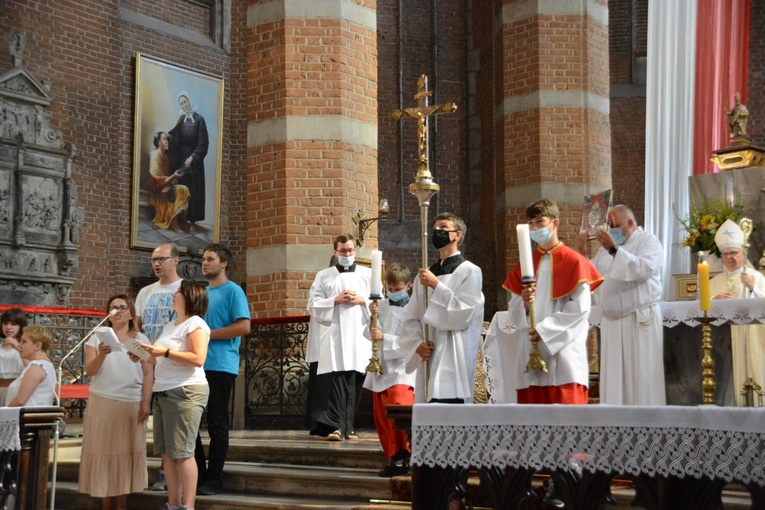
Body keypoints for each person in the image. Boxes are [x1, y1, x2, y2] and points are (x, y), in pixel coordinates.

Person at [504, 199, 603, 405]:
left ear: (555, 223)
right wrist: (523, 303)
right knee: (533, 425)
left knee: (567, 426)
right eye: (530, 223)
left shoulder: (575, 262)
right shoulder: (525, 264)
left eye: (540, 221)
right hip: (531, 354)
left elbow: (579, 310)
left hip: (563, 356)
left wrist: (545, 330)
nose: (534, 228)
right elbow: (513, 308)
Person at [574, 205, 666, 405]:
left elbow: (641, 268)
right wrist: (582, 253)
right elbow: (593, 277)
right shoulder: (605, 249)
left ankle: (646, 426)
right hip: (612, 325)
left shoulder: (648, 242)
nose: (611, 231)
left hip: (638, 322)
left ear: (631, 223)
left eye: (615, 225)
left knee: (641, 381)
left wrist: (613, 249)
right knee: (615, 383)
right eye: (609, 226)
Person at [400, 213, 485, 404]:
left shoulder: (470, 271)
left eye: (444, 228)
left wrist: (436, 286)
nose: (437, 232)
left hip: (454, 353)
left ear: (457, 235)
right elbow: (411, 318)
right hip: (429, 354)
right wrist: (417, 345)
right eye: (435, 228)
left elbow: (464, 313)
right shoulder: (423, 276)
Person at [140, 280, 210, 510]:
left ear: (190, 297)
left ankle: (187, 506)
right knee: (167, 454)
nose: (173, 295)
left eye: (178, 292)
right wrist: (142, 354)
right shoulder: (171, 325)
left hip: (185, 390)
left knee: (182, 452)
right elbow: (157, 356)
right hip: (163, 391)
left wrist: (165, 352)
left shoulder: (195, 324)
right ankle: (172, 504)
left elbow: (198, 358)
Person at [78, 295, 153, 510]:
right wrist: (101, 355)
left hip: (130, 402)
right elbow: (90, 370)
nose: (118, 311)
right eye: (113, 308)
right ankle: (106, 504)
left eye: (122, 307)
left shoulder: (140, 340)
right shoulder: (97, 338)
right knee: (104, 454)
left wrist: (146, 402)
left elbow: (148, 373)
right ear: (108, 314)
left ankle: (121, 505)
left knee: (125, 455)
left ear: (130, 312)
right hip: (102, 401)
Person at [194, 244, 250, 496]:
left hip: (220, 364)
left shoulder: (233, 291)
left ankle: (215, 478)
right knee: (191, 422)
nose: (204, 263)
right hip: (196, 363)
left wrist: (207, 334)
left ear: (223, 263)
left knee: (217, 422)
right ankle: (198, 473)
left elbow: (243, 327)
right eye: (203, 260)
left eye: (210, 259)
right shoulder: (202, 293)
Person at [306, 233, 372, 441]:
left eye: (350, 250)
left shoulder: (368, 274)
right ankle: (335, 427)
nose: (347, 254)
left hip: (358, 336)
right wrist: (335, 299)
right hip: (334, 334)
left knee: (354, 380)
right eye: (343, 251)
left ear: (355, 251)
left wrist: (362, 300)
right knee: (335, 382)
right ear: (335, 252)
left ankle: (349, 427)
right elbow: (313, 304)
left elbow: (379, 303)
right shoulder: (323, 275)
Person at [135, 243, 183, 491]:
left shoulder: (185, 289)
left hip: (173, 365)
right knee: (150, 420)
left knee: (170, 425)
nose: (156, 263)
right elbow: (138, 326)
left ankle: (169, 474)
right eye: (154, 259)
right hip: (147, 362)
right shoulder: (145, 292)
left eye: (161, 259)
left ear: (175, 261)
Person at [364, 262, 416, 477]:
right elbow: (369, 335)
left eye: (398, 289)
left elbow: (413, 339)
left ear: (409, 286)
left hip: (403, 369)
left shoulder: (415, 308)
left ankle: (406, 455)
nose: (393, 293)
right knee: (383, 417)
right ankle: (392, 457)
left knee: (399, 412)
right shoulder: (382, 305)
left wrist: (385, 337)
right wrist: (372, 318)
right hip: (382, 368)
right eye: (390, 289)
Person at [710, 219, 765, 404]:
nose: (729, 258)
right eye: (725, 254)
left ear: (742, 253)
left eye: (734, 253)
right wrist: (713, 302)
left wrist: (752, 289)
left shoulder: (756, 278)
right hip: (721, 343)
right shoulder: (714, 282)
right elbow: (700, 308)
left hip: (749, 340)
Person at [169, 92, 208, 233]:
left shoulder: (199, 120)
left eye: (185, 102)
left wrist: (192, 157)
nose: (184, 105)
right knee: (182, 187)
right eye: (182, 103)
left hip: (195, 160)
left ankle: (192, 222)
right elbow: (177, 140)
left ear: (190, 101)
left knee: (194, 191)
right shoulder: (181, 120)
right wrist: (169, 139)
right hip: (182, 158)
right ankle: (179, 219)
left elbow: (203, 143)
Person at [149, 131, 190, 234]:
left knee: (183, 189)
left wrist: (173, 180)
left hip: (165, 187)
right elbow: (157, 178)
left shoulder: (166, 158)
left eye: (168, 140)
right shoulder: (154, 155)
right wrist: (173, 176)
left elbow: (166, 178)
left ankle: (175, 220)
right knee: (183, 189)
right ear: (158, 142)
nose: (167, 142)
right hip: (158, 191)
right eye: (164, 139)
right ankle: (174, 223)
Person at [6, 325, 55, 407]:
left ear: (38, 346)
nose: (19, 345)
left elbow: (20, 401)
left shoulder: (37, 367)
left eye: (24, 342)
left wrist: (4, 414)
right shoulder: (44, 364)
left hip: (28, 418)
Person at [0, 308, 27, 404]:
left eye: (13, 324)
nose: (8, 327)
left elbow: (31, 366)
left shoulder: (27, 347)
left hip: (17, 390)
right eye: (5, 323)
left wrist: (17, 346)